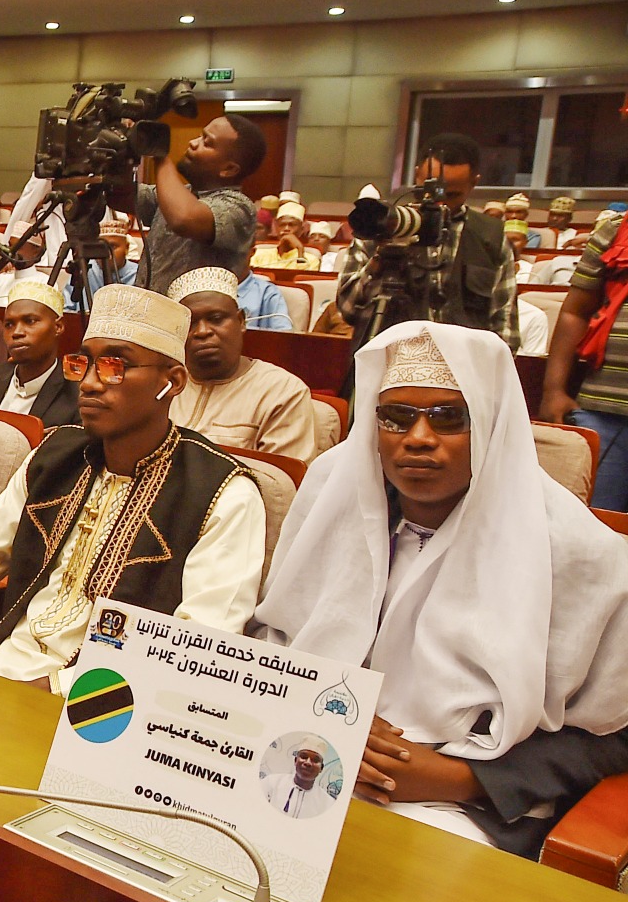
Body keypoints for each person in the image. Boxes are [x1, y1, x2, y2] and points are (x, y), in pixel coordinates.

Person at [253, 322, 628, 855]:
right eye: (397, 417)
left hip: (462, 803)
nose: (419, 438)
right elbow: (266, 642)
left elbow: (613, 736)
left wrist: (457, 778)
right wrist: (313, 715)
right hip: (302, 752)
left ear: (492, 424)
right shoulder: (330, 500)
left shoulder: (577, 551)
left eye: (450, 418)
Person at [0, 282, 266, 691]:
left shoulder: (222, 493)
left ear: (172, 382)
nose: (87, 383)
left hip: (103, 714)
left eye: (115, 365)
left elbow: (195, 653)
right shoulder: (56, 455)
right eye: (83, 364)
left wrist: (53, 689)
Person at [337, 132, 520, 353]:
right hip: (388, 362)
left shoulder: (491, 236)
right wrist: (380, 260)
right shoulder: (382, 225)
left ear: (474, 183)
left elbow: (505, 330)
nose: (439, 202)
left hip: (462, 369)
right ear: (416, 176)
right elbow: (347, 310)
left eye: (451, 195)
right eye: (429, 191)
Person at [166, 267, 319, 462]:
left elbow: (281, 484)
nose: (202, 331)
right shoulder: (161, 386)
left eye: (216, 319)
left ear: (241, 322)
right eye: (191, 322)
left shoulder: (282, 391)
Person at [109, 114, 265, 295]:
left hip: (195, 320)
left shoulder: (240, 208)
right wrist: (123, 151)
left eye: (207, 143)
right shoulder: (180, 193)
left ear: (228, 169)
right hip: (148, 315)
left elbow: (183, 218)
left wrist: (159, 155)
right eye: (201, 135)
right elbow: (119, 196)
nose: (193, 142)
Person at [539, 206, 628, 510]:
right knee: (590, 523)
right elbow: (575, 312)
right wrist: (553, 390)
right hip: (602, 412)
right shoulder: (615, 231)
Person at [0, 281, 80, 427]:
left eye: (30, 321)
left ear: (58, 327)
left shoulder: (76, 393)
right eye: (9, 325)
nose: (17, 332)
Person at [262, 736, 337, 819]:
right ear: (295, 761)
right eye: (304, 757)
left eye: (315, 760)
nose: (308, 763)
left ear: (321, 768)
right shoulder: (271, 783)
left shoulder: (328, 804)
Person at [250, 202, 318, 269]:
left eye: (291, 225)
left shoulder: (312, 260)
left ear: (301, 230)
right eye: (282, 225)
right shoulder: (259, 254)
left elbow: (303, 278)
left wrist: (300, 249)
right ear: (276, 228)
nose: (286, 229)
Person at [86, 216, 139, 292]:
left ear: (127, 248)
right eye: (100, 247)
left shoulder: (139, 274)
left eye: (112, 247)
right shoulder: (85, 271)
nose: (107, 252)